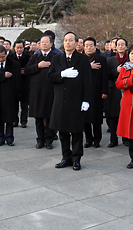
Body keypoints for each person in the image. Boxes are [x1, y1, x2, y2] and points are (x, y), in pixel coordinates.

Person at [48, 32, 91, 171]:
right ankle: (66, 157)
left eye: (70, 40)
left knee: (77, 131)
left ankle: (76, 159)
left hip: (76, 100)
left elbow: (88, 81)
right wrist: (61, 74)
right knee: (63, 131)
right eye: (66, 40)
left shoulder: (83, 59)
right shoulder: (56, 58)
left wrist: (86, 100)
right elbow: (50, 77)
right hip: (61, 100)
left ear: (76, 43)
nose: (67, 43)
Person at [24, 35, 57, 149]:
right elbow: (27, 70)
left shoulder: (56, 56)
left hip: (50, 92)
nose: (43, 44)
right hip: (37, 92)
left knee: (49, 117)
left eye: (46, 42)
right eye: (41, 42)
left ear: (51, 44)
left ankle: (49, 140)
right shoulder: (35, 57)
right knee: (38, 118)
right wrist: (38, 66)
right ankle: (40, 139)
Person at [0, 45, 22, 146]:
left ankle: (10, 138)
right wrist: (2, 76)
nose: (1, 59)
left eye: (2, 57)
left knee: (9, 118)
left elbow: (18, 81)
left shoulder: (14, 64)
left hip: (10, 95)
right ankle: (0, 137)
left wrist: (18, 95)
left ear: (6, 54)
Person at [83, 36, 109, 148]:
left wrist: (104, 91)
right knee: (85, 117)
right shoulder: (81, 59)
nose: (89, 48)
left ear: (95, 47)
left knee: (97, 117)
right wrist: (89, 67)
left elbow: (105, 77)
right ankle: (88, 139)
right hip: (83, 92)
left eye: (91, 46)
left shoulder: (101, 59)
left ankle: (97, 139)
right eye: (86, 46)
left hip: (97, 92)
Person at [106, 38, 128, 147]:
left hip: (127, 90)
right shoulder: (110, 60)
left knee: (125, 116)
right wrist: (116, 71)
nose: (120, 46)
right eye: (118, 44)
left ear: (126, 47)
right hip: (113, 91)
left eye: (122, 44)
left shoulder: (130, 60)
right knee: (113, 117)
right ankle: (113, 140)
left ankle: (125, 138)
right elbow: (107, 75)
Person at [11, 40, 31, 128]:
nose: (19, 49)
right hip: (14, 84)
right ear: (14, 48)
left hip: (25, 83)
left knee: (24, 105)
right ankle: (15, 120)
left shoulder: (28, 57)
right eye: (17, 48)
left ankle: (24, 121)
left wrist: (25, 71)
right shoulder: (10, 57)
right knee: (14, 104)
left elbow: (30, 68)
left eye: (21, 48)